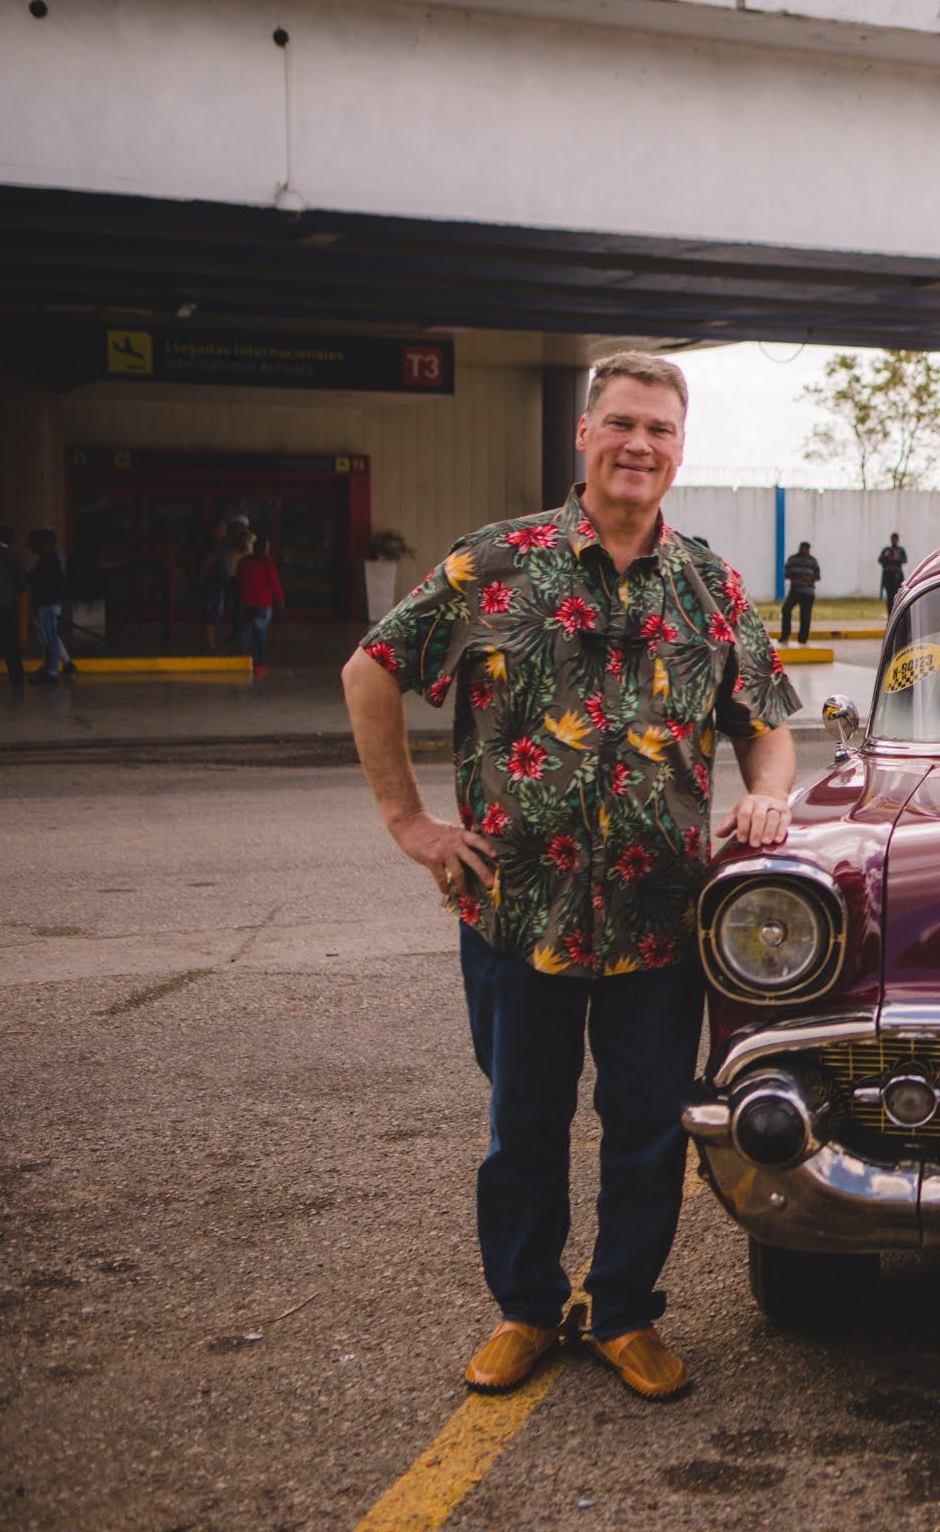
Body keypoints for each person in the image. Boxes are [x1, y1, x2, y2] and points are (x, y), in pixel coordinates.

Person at [341, 352, 801, 1404]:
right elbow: (370, 668)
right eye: (625, 424)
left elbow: (768, 722)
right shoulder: (497, 564)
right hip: (517, 913)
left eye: (663, 431)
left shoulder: (710, 585)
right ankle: (527, 1307)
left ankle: (627, 1311)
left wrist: (767, 791)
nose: (642, 445)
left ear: (680, 452)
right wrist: (409, 822)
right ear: (586, 435)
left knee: (647, 1125)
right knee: (524, 1123)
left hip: (660, 918)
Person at [234, 535, 285, 676]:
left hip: (245, 602)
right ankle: (258, 664)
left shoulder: (244, 562)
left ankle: (241, 660)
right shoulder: (267, 564)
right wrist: (280, 600)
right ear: (265, 550)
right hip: (262, 604)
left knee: (243, 632)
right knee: (260, 635)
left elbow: (238, 579)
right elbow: (275, 584)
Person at [25, 529, 71, 683]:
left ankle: (51, 673)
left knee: (50, 640)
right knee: (49, 640)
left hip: (47, 605)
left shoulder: (49, 561)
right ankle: (51, 669)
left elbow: (43, 581)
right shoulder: (51, 560)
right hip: (48, 605)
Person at [0, 525, 24, 686]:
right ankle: (16, 676)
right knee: (11, 643)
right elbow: (22, 584)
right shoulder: (15, 558)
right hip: (9, 606)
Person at [196, 518, 232, 653]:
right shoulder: (214, 544)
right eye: (224, 528)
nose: (226, 531)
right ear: (217, 529)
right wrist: (201, 578)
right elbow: (208, 562)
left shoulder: (209, 542)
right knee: (212, 613)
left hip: (213, 583)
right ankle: (210, 643)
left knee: (210, 612)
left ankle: (208, 641)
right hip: (213, 583)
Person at [782, 540, 820, 646]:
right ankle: (785, 634)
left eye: (807, 549)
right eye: (803, 549)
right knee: (786, 610)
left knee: (805, 616)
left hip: (808, 593)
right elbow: (786, 574)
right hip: (795, 591)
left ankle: (803, 639)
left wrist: (809, 578)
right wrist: (798, 577)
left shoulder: (813, 561)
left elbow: (818, 576)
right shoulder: (793, 559)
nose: (805, 551)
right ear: (800, 549)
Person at [878, 531, 908, 605]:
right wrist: (885, 556)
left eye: (895, 539)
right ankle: (890, 614)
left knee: (898, 596)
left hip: (897, 575)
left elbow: (904, 560)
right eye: (892, 539)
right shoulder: (886, 550)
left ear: (897, 540)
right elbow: (880, 560)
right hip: (888, 576)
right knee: (890, 596)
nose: (894, 541)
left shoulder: (900, 550)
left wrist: (896, 558)